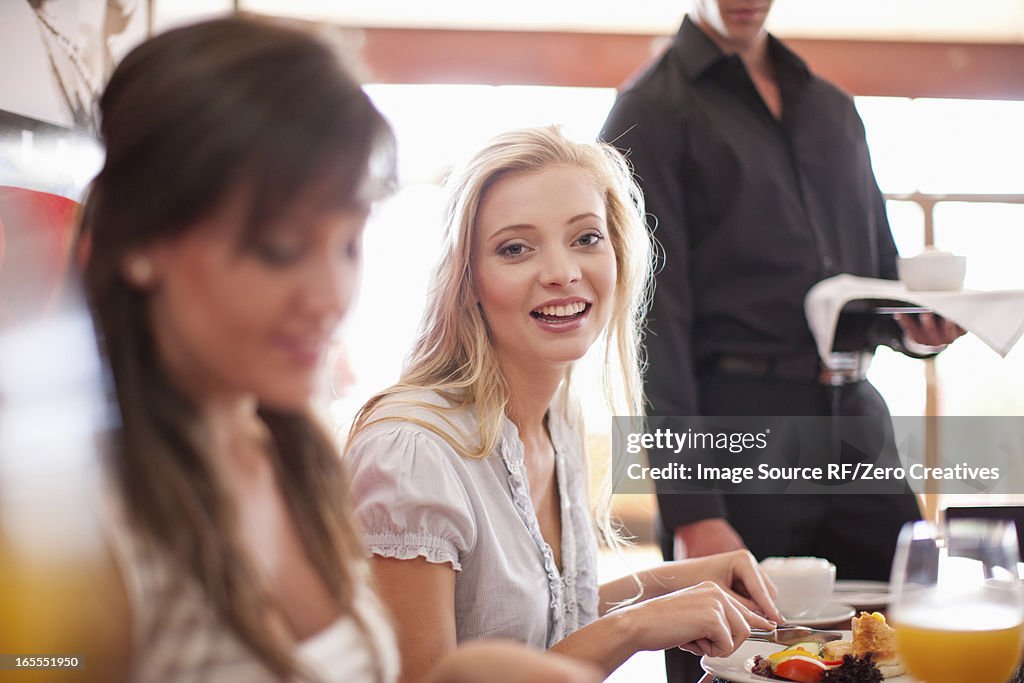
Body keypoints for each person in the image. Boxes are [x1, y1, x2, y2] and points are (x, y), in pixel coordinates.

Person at [79, 18, 601, 683]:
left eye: (349, 243)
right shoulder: (72, 520)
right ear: (142, 242)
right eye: (280, 248)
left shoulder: (294, 456)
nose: (330, 295)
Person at [600, 1, 963, 680]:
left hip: (856, 428)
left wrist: (918, 324)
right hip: (734, 440)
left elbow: (876, 280)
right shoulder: (648, 110)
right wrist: (694, 506)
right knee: (735, 661)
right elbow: (649, 327)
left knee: (914, 646)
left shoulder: (832, 107)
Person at [344, 125, 784, 683]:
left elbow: (532, 627)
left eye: (586, 238)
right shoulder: (411, 454)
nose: (562, 272)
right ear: (467, 278)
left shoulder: (558, 420)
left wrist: (671, 582)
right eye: (515, 248)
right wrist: (633, 627)